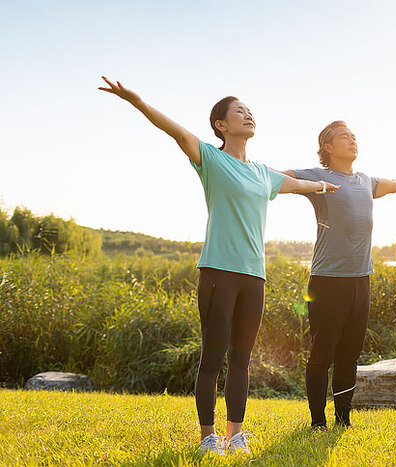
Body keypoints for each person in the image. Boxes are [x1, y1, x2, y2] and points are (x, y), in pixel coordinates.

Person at [98, 77, 339, 455]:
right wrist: (138, 101)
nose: (248, 114)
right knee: (213, 355)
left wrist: (325, 187)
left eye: (249, 110)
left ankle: (235, 435)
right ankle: (208, 437)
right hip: (217, 272)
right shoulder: (211, 158)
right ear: (221, 125)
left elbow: (301, 186)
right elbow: (173, 131)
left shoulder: (264, 174)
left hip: (254, 276)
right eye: (239, 111)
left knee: (242, 359)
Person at [283, 120, 396, 429]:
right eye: (343, 137)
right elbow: (281, 178)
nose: (352, 141)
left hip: (360, 281)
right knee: (322, 353)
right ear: (327, 146)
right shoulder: (319, 176)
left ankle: (343, 420)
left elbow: (394, 184)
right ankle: (316, 423)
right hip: (327, 282)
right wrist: (250, 173)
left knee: (350, 354)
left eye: (353, 136)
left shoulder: (366, 181)